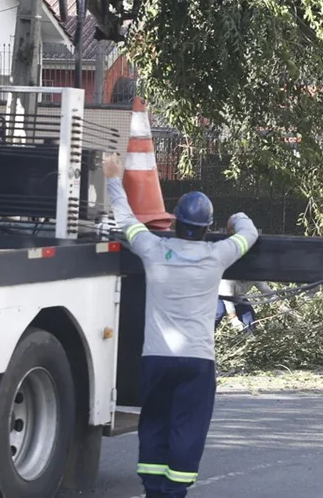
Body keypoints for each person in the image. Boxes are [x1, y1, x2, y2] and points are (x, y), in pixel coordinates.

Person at [103, 153, 259, 498]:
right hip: (197, 361)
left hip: (156, 358)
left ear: (174, 222)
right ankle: (175, 492)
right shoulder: (219, 254)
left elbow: (125, 218)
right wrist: (236, 217)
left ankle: (153, 489)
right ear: (208, 228)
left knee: (154, 421)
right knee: (188, 427)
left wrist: (113, 177)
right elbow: (250, 232)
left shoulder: (152, 249)